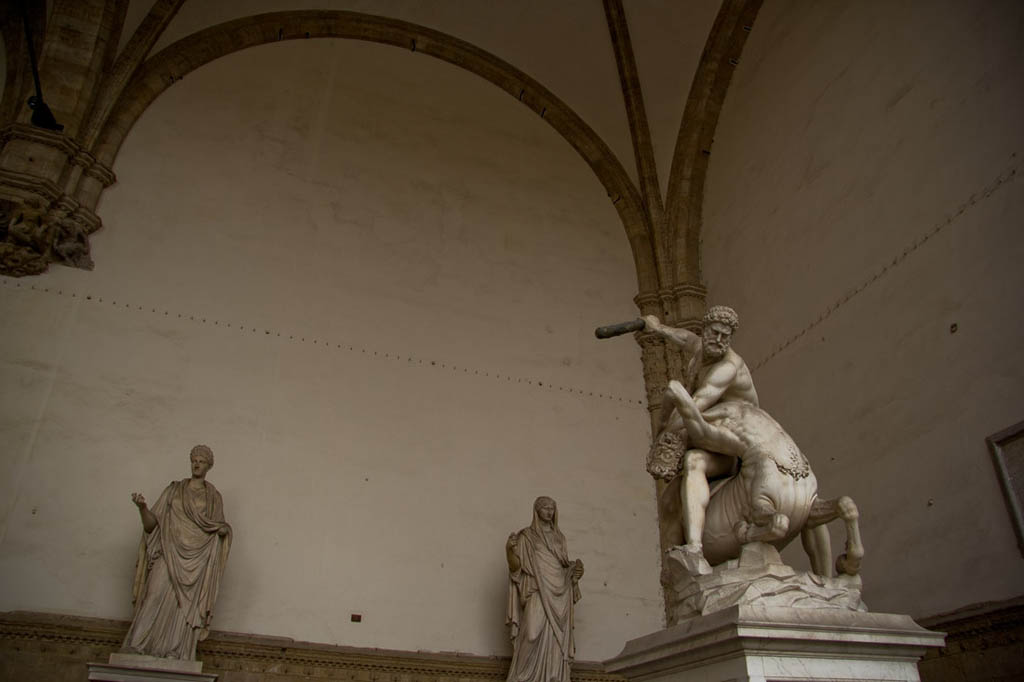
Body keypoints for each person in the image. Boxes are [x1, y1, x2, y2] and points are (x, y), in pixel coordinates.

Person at [642, 306, 758, 572]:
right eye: (714, 333)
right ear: (704, 331)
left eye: (724, 337)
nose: (718, 340)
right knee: (671, 498)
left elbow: (695, 405)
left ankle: (694, 547)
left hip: (737, 444)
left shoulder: (726, 368)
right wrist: (658, 328)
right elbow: (685, 338)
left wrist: (665, 436)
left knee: (694, 461)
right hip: (714, 433)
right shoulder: (702, 350)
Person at [122, 444, 232, 660]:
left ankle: (176, 650)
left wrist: (224, 530)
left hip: (196, 561)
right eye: (194, 460)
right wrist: (143, 508)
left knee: (183, 609)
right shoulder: (174, 490)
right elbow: (152, 524)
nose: (197, 464)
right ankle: (137, 645)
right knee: (153, 595)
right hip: (168, 551)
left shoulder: (213, 497)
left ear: (209, 466)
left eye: (201, 461)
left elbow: (217, 526)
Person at [505, 497, 584, 682]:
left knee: (556, 644)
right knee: (531, 634)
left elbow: (564, 566)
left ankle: (553, 678)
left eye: (552, 509)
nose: (549, 512)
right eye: (545, 508)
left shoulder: (559, 537)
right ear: (536, 510)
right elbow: (516, 568)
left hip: (560, 595)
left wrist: (576, 570)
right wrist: (509, 550)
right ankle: (520, 678)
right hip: (538, 591)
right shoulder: (526, 537)